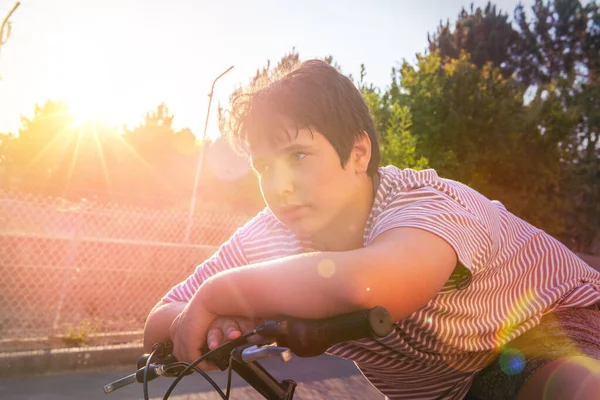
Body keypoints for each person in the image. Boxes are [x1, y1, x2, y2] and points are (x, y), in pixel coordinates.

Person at [143, 60, 600, 400]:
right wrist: (214, 315)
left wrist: (221, 295)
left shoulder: (424, 201)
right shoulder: (271, 234)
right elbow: (164, 317)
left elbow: (375, 285)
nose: (279, 185)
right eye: (264, 166)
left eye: (299, 156)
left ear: (359, 154)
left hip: (551, 329)